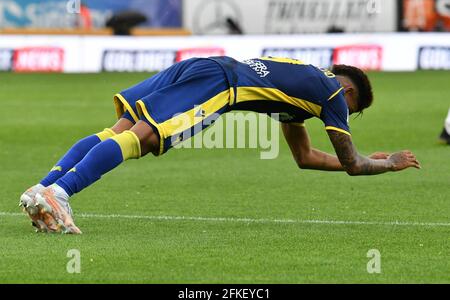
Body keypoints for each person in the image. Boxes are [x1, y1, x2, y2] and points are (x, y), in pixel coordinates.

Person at [19, 56, 421, 234]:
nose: (347, 117)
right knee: (143, 138)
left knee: (117, 129)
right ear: (348, 90)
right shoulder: (333, 95)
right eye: (355, 108)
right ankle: (60, 192)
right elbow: (351, 163)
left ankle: (43, 190)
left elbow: (305, 158)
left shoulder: (304, 91)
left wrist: (371, 157)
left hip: (206, 64)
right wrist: (388, 164)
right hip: (220, 85)